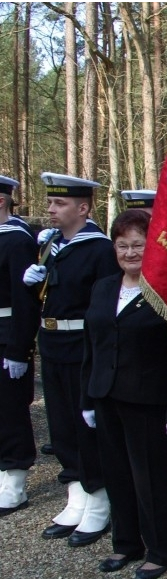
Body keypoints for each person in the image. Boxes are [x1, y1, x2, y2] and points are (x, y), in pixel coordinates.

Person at [81, 209, 167, 579]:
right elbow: (92, 345)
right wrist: (86, 398)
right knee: (116, 473)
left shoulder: (166, 291)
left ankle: (160, 550)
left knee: (151, 479)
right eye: (122, 244)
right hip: (106, 396)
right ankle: (126, 543)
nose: (129, 252)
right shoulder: (103, 286)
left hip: (149, 402)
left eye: (138, 245)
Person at [23, 173, 120, 546]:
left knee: (87, 424)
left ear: (83, 207)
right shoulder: (50, 245)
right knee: (61, 423)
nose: (50, 209)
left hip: (82, 345)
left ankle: (98, 500)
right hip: (53, 342)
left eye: (59, 203)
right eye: (50, 202)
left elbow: (106, 308)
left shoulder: (98, 249)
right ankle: (76, 494)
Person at [0, 175, 41, 516]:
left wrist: (19, 348)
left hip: (5, 335)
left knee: (10, 409)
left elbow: (24, 300)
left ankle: (14, 477)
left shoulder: (15, 240)